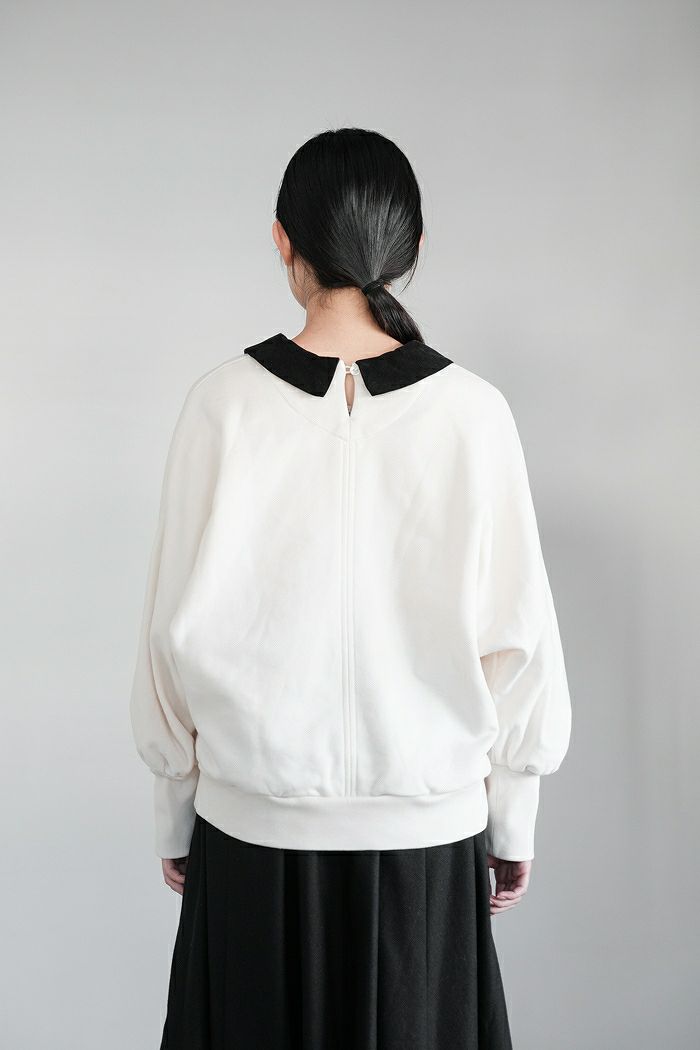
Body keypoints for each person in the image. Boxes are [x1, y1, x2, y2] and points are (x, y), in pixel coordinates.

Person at [129, 126, 572, 1049]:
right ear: (413, 248)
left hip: (251, 844)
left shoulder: (221, 404)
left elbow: (171, 628)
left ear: (282, 240)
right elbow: (519, 636)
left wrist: (175, 808)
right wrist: (512, 821)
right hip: (425, 856)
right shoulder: (474, 414)